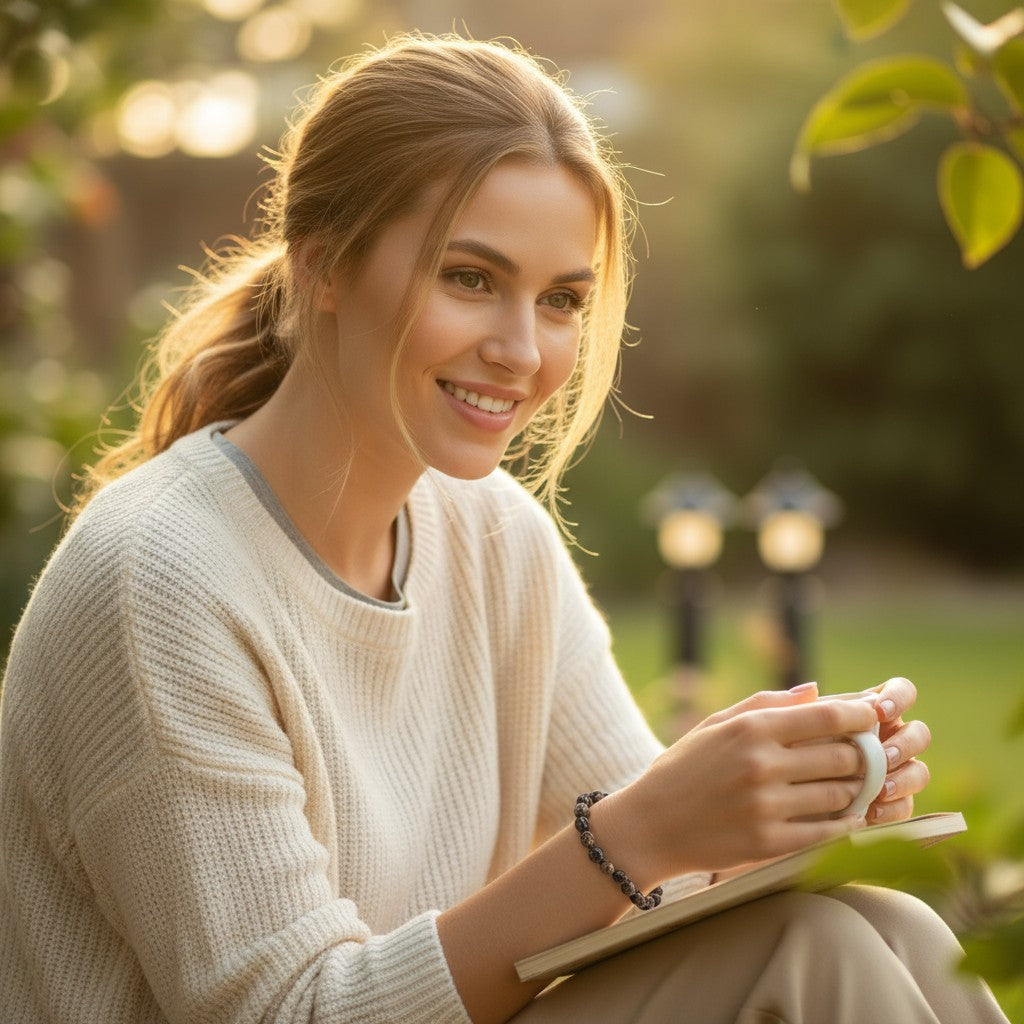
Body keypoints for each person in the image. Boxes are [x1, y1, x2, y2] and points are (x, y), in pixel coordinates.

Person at [0, 33, 1009, 1024]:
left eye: (562, 299)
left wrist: (776, 805)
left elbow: (656, 871)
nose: (522, 351)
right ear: (325, 265)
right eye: (470, 278)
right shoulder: (160, 580)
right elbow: (296, 1009)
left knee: (882, 927)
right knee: (819, 955)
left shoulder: (491, 536)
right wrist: (638, 832)